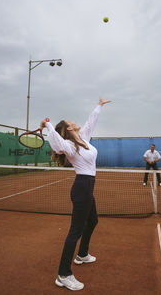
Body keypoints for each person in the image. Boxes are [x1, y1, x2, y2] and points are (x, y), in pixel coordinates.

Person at [40, 97, 111, 291]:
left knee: (93, 220)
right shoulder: (70, 146)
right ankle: (63, 274)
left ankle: (82, 255)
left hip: (88, 186)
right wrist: (48, 125)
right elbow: (57, 144)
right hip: (82, 186)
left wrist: (99, 105)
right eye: (71, 122)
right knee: (75, 231)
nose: (75, 122)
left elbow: (91, 121)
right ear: (69, 129)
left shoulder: (84, 138)